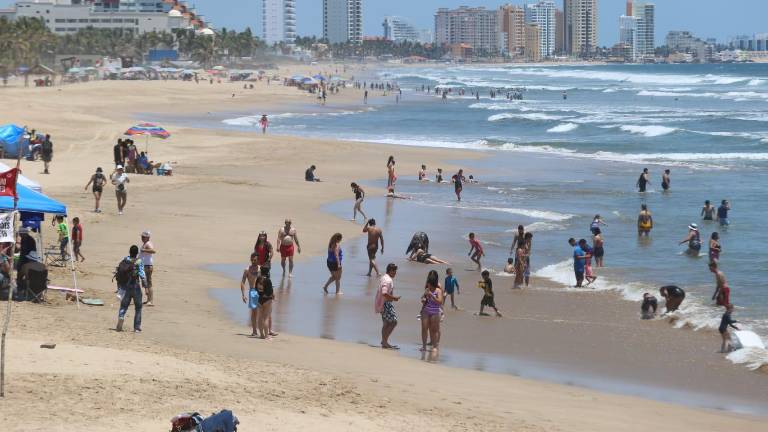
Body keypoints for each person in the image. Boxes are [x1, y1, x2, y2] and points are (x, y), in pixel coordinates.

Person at [115, 245, 147, 333]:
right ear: (137, 253)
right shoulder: (139, 261)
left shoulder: (125, 260)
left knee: (124, 305)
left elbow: (119, 271)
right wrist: (146, 286)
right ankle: (136, 327)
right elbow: (142, 274)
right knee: (138, 307)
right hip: (135, 285)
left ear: (129, 252)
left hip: (125, 286)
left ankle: (121, 317)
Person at [375, 263, 401, 349]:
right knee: (394, 322)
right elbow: (384, 293)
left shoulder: (384, 277)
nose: (395, 273)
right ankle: (385, 341)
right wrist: (394, 298)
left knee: (386, 323)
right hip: (385, 304)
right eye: (394, 271)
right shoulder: (388, 280)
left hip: (381, 303)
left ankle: (384, 342)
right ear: (390, 271)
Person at [420, 270, 444, 353]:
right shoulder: (427, 289)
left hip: (435, 311)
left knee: (434, 329)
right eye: (428, 283)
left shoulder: (438, 290)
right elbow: (423, 298)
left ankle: (435, 346)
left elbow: (440, 302)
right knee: (424, 328)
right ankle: (424, 346)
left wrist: (432, 296)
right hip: (426, 310)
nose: (428, 284)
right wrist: (423, 299)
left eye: (429, 283)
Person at [240, 253, 261, 337]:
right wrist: (243, 295)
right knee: (254, 312)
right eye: (252, 259)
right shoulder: (247, 269)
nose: (253, 261)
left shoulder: (260, 269)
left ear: (258, 260)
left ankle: (265, 330)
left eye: (255, 260)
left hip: (260, 292)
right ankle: (254, 331)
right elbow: (242, 282)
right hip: (253, 292)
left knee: (262, 312)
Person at [256, 269, 275, 339]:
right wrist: (271, 296)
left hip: (259, 299)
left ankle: (261, 335)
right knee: (266, 318)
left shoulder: (258, 279)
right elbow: (270, 293)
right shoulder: (268, 280)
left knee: (260, 317)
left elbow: (256, 289)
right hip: (267, 301)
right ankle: (266, 335)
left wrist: (261, 294)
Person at [140, 231, 156, 306]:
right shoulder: (145, 243)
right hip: (145, 266)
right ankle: (148, 300)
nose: (142, 238)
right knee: (146, 283)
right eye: (142, 236)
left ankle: (151, 301)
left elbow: (153, 251)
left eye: (143, 237)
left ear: (148, 237)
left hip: (148, 266)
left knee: (149, 283)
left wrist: (144, 250)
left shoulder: (148, 243)